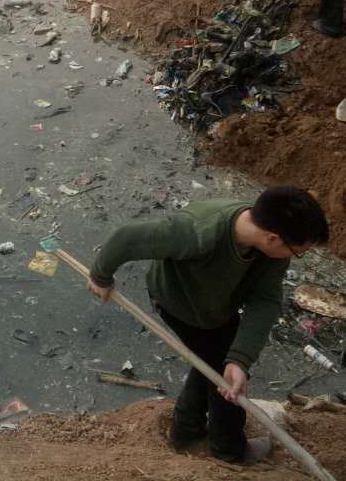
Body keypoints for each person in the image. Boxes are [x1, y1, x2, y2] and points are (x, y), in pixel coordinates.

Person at [88, 187, 330, 464]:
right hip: (179, 303)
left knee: (220, 363)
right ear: (273, 238)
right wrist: (100, 276)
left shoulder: (273, 248)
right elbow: (127, 239)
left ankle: (185, 431)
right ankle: (228, 450)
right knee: (223, 375)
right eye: (298, 252)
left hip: (218, 306)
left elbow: (265, 300)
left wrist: (240, 359)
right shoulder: (198, 231)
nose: (294, 257)